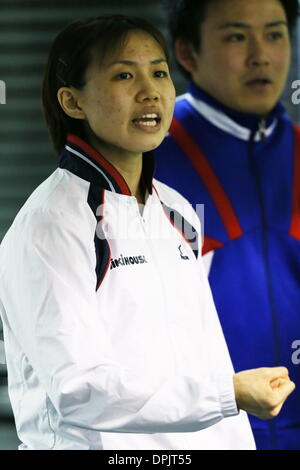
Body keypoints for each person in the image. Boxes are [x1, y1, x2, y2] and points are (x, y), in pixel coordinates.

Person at [0, 14, 295, 451]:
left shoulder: (176, 210)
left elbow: (205, 358)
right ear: (72, 102)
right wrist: (228, 394)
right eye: (124, 75)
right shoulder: (51, 225)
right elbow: (75, 390)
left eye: (159, 72)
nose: (150, 91)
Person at [154, 0, 300, 450]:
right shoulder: (143, 156)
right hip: (196, 435)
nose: (261, 55)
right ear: (187, 53)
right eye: (236, 36)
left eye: (274, 34)